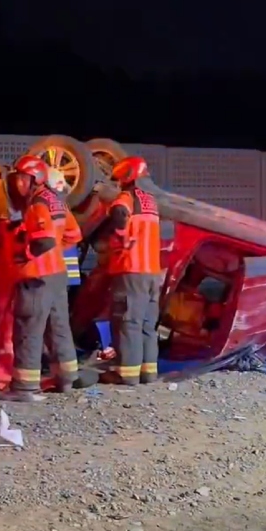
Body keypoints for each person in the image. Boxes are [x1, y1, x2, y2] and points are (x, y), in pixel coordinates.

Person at [0, 155, 83, 402]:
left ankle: (24, 388)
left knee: (29, 329)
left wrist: (24, 256)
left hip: (37, 276)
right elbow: (74, 234)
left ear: (33, 178)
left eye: (21, 178)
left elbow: (43, 240)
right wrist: (55, 249)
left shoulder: (37, 204)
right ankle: (65, 378)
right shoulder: (57, 201)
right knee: (58, 327)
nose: (17, 184)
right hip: (57, 274)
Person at [99, 156, 163, 386]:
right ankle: (148, 372)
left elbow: (119, 213)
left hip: (131, 269)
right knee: (147, 324)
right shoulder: (150, 201)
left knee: (128, 323)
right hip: (152, 272)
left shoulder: (127, 197)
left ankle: (126, 374)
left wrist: (121, 237)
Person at [45, 169, 81, 286]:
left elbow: (74, 234)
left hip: (55, 268)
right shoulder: (62, 207)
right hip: (62, 270)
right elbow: (75, 234)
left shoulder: (45, 206)